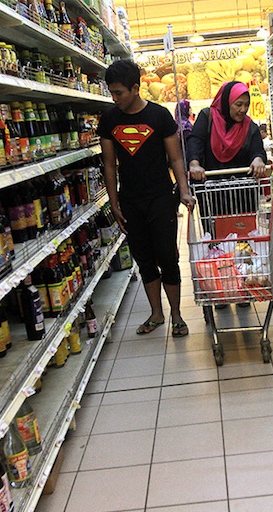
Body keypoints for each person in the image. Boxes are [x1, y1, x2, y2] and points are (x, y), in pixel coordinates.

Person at [97, 59, 195, 338]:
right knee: (144, 260)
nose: (115, 99)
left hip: (161, 198)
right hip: (130, 201)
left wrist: (184, 190)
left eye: (119, 93)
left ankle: (177, 315)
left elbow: (175, 158)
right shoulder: (109, 119)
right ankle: (156, 314)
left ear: (135, 88)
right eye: (111, 93)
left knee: (167, 257)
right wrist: (114, 202)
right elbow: (109, 165)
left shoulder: (159, 116)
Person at [187, 81, 267, 309]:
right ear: (226, 102)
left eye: (246, 105)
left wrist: (258, 160)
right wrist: (194, 164)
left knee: (243, 241)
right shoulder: (208, 118)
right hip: (212, 193)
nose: (243, 109)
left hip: (242, 193)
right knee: (216, 241)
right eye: (238, 104)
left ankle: (242, 286)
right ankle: (219, 285)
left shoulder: (249, 127)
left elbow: (257, 150)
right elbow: (195, 141)